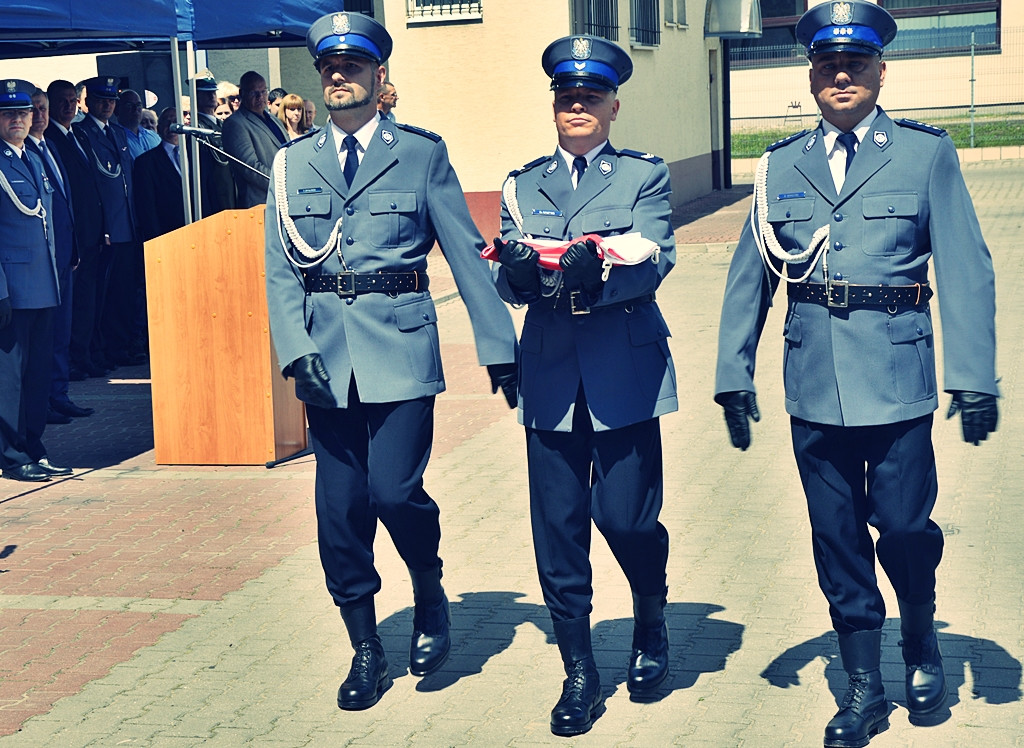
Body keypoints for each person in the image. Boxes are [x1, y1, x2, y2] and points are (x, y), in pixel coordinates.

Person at [713, 3, 999, 746]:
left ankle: (922, 636)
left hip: (899, 378)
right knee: (835, 536)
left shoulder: (923, 154)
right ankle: (866, 686)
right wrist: (731, 372)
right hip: (813, 381)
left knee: (904, 528)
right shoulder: (779, 165)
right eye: (828, 64)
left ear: (880, 70)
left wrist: (973, 376)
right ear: (811, 74)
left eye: (856, 63)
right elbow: (752, 276)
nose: (842, 75)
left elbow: (965, 267)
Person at [264, 11, 518, 712]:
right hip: (325, 362)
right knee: (339, 512)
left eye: (352, 67)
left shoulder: (421, 155)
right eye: (328, 69)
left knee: (395, 493)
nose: (338, 77)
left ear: (381, 78)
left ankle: (428, 584)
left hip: (401, 350)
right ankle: (366, 649)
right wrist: (296, 350)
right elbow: (281, 269)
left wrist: (499, 346)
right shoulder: (290, 165)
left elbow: (465, 254)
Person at [492, 35, 677, 736]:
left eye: (590, 96)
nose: (578, 106)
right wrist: (512, 275)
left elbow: (654, 258)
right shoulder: (524, 181)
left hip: (624, 370)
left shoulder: (643, 178)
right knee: (558, 532)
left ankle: (650, 616)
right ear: (555, 107)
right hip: (547, 375)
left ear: (612, 106)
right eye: (567, 97)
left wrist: (594, 275)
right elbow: (508, 267)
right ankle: (579, 672)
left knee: (626, 518)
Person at [0, 79, 72, 482]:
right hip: (12, 288)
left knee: (37, 374)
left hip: (44, 285)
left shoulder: (33, 157)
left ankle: (32, 444)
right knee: (9, 378)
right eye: (8, 113)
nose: (17, 120)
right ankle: (11, 454)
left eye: (23, 113)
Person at [26, 89, 93, 423]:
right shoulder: (24, 154)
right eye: (34, 109)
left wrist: (75, 249)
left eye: (43, 109)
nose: (39, 115)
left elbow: (67, 204)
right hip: (43, 260)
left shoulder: (49, 147)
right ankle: (45, 400)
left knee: (62, 331)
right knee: (46, 334)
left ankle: (59, 393)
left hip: (65, 254)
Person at [75, 76, 145, 368]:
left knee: (123, 291)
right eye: (102, 100)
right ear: (88, 102)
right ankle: (100, 349)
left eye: (111, 100)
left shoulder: (117, 132)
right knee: (101, 295)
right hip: (106, 228)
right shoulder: (82, 133)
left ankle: (119, 346)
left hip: (126, 224)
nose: (107, 105)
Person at [45, 79, 106, 381]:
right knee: (74, 305)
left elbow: (94, 185)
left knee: (89, 301)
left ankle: (85, 355)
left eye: (72, 100)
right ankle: (73, 359)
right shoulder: (49, 139)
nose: (68, 106)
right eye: (62, 101)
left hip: (92, 234)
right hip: (73, 237)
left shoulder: (78, 135)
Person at [221, 71, 286, 208]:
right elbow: (250, 167)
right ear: (242, 93)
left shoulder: (274, 120)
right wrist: (283, 183)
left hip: (283, 199)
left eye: (263, 92)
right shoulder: (235, 124)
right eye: (253, 93)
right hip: (260, 203)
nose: (260, 97)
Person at [133, 107, 186, 243]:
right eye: (167, 122)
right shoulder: (145, 162)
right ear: (159, 127)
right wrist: (156, 241)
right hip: (168, 235)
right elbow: (147, 208)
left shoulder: (198, 155)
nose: (171, 127)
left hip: (202, 227)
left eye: (175, 122)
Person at [192, 74, 236, 217]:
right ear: (196, 96)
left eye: (213, 92)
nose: (211, 96)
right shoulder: (197, 127)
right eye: (206, 93)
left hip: (230, 187)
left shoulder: (222, 124)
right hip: (215, 191)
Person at [115, 89, 160, 159]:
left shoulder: (153, 136)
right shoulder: (114, 139)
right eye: (129, 105)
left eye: (138, 105)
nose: (135, 109)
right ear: (117, 110)